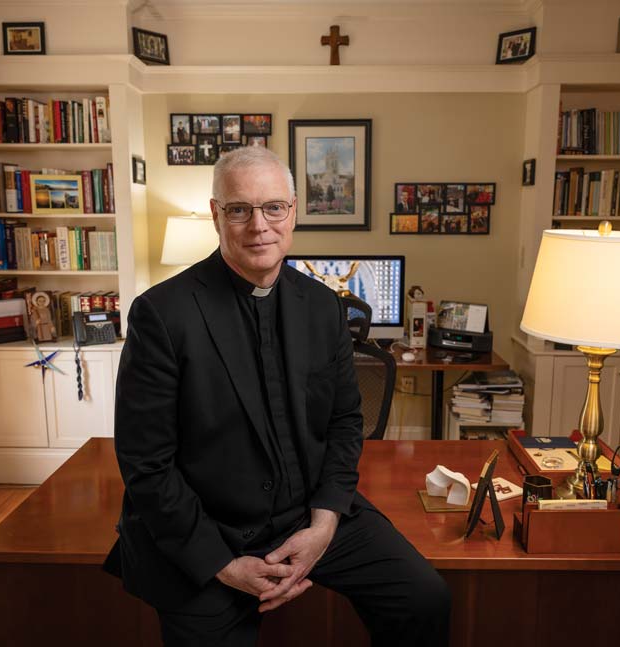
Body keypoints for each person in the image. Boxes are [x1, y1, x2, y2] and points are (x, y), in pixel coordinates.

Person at [103, 146, 450, 646]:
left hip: (311, 516)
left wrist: (325, 523)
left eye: (273, 208)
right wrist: (222, 564)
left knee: (425, 599)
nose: (258, 226)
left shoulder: (324, 307)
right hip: (208, 532)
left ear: (293, 212)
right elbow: (146, 462)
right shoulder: (161, 313)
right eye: (240, 209)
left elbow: (345, 422)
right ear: (216, 215)